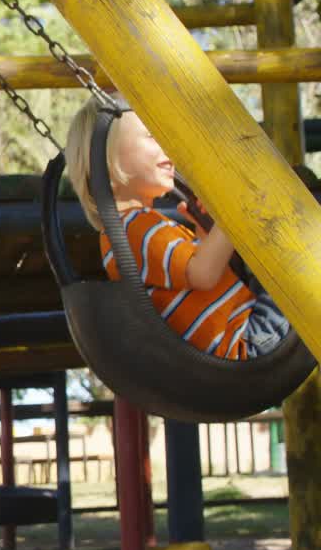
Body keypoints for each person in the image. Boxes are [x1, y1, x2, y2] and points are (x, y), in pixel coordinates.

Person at [64, 93, 291, 361]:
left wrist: (206, 235)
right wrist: (232, 213)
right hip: (248, 339)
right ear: (105, 159)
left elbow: (195, 279)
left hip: (239, 339)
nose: (167, 145)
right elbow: (204, 274)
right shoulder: (136, 229)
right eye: (151, 136)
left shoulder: (129, 232)